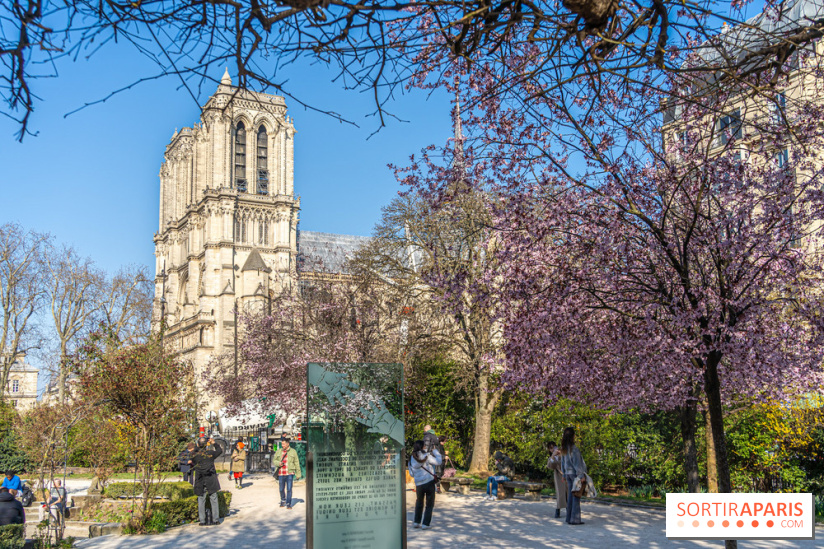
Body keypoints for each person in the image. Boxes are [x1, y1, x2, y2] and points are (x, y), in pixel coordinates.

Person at [408, 439, 442, 530]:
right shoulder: (426, 456)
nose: (425, 447)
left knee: (419, 502)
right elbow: (439, 461)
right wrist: (435, 451)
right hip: (429, 482)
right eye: (424, 445)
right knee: (429, 504)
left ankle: (416, 522)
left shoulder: (411, 458)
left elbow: (411, 474)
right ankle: (425, 524)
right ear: (422, 447)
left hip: (419, 484)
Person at [191, 435, 223, 526]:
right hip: (210, 477)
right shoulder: (210, 453)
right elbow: (220, 451)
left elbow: (192, 454)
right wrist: (214, 443)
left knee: (201, 499)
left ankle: (202, 520)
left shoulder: (195, 455)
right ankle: (216, 519)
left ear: (198, 444)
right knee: (213, 498)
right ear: (206, 445)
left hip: (200, 478)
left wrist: (198, 445)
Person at [560, 427, 586, 525]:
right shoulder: (574, 449)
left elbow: (562, 463)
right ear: (573, 436)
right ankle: (575, 519)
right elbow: (577, 464)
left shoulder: (564, 448)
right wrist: (581, 476)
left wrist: (563, 474)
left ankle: (568, 517)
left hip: (567, 474)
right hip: (575, 474)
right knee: (576, 496)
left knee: (571, 496)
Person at [277, 437, 301, 509]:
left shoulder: (293, 451)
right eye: (282, 444)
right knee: (281, 489)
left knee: (289, 488)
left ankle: (288, 503)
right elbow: (274, 460)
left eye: (284, 444)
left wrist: (298, 473)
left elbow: (296, 462)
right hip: (281, 473)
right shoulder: (279, 451)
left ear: (288, 444)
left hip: (290, 473)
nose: (282, 445)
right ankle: (283, 499)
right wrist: (278, 463)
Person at [546, 441, 567, 519]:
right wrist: (553, 456)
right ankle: (558, 510)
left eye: (554, 447)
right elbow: (550, 466)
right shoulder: (551, 457)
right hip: (558, 477)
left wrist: (560, 454)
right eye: (551, 448)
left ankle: (569, 509)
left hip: (566, 476)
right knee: (560, 494)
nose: (553, 449)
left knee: (567, 493)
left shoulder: (563, 454)